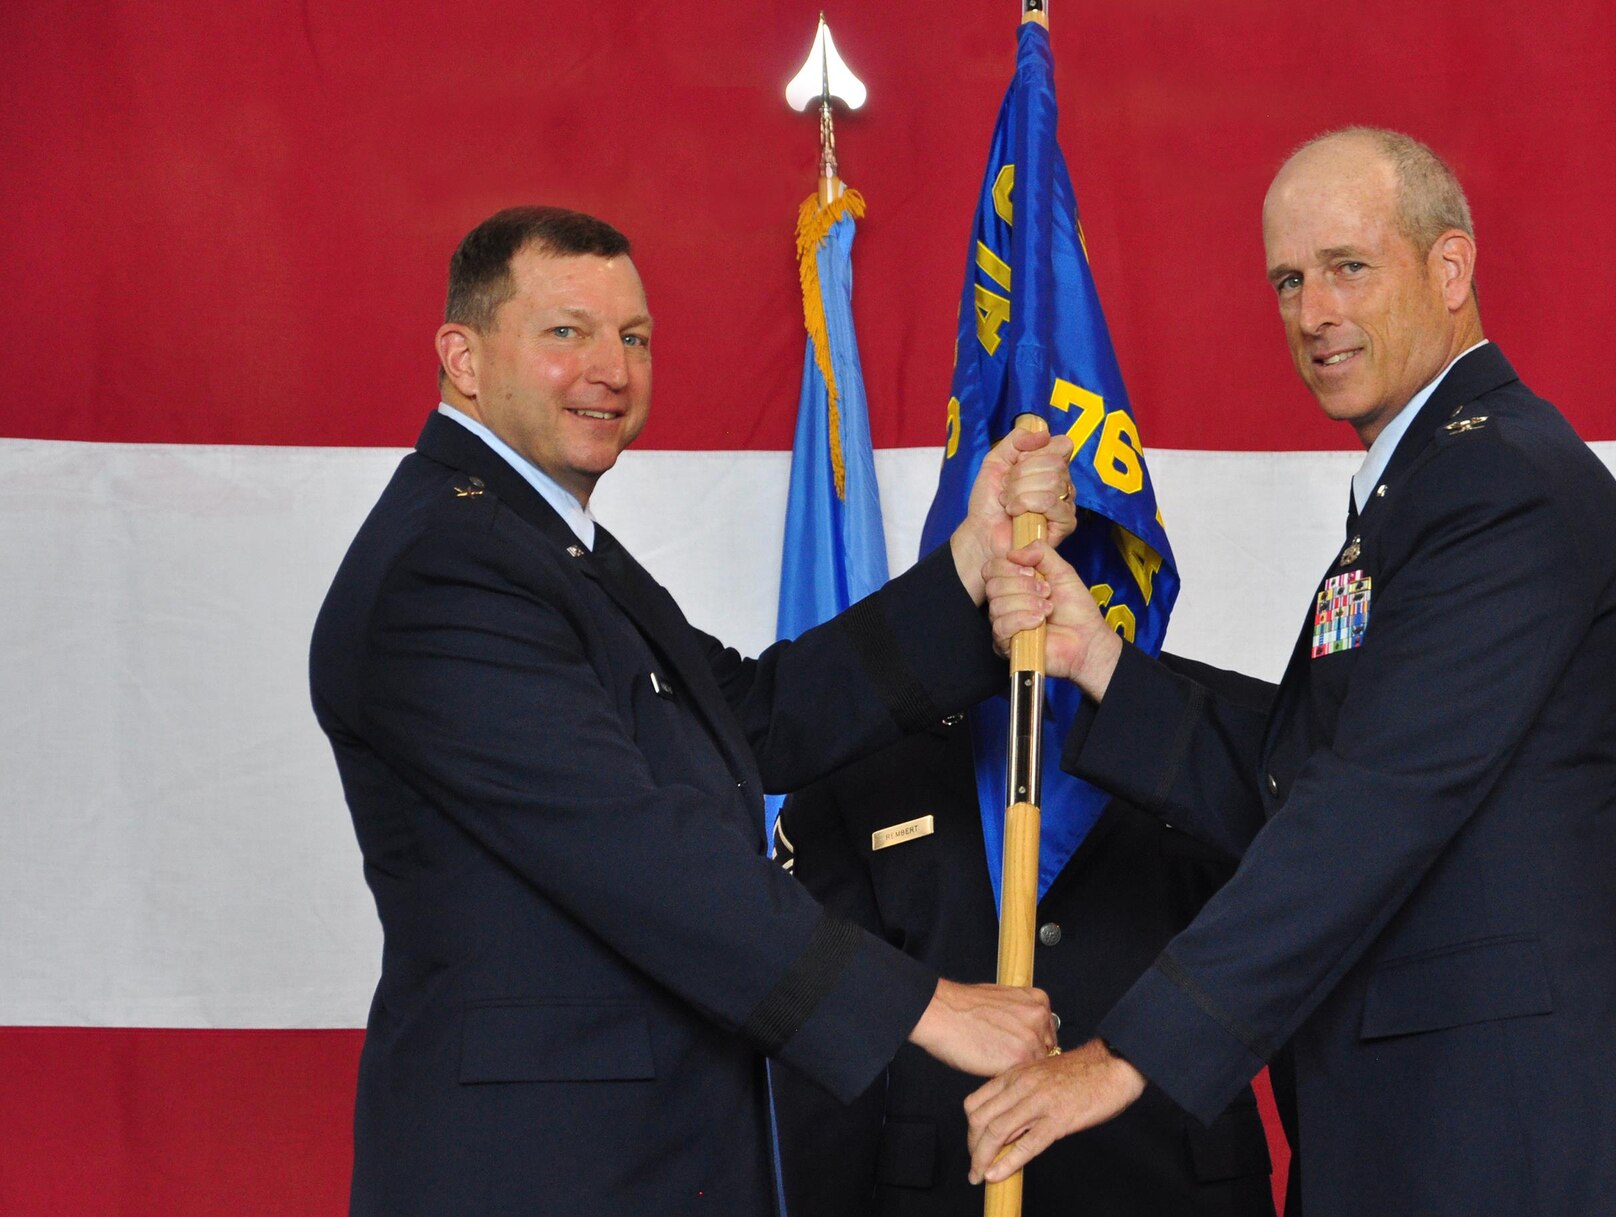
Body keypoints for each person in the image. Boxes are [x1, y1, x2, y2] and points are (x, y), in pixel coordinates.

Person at [966, 128, 1616, 1217]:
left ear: (1449, 268)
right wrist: (1097, 658)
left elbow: (1371, 801)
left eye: (1347, 266)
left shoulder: (1497, 485)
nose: (1312, 311)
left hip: (1520, 1134)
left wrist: (1125, 1053)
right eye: (1287, 278)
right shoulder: (1428, 480)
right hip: (1433, 1122)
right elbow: (1316, 766)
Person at [308, 206, 1068, 1217]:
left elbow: (751, 715)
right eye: (565, 332)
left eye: (634, 337)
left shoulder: (546, 545)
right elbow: (634, 849)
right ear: (463, 356)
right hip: (533, 1172)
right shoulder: (446, 569)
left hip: (643, 1158)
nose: (611, 369)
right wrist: (924, 1004)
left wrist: (970, 561)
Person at [769, 680, 1288, 1217]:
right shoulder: (861, 746)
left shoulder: (1233, 723)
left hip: (1182, 1189)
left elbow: (1297, 965)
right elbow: (825, 1043)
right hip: (947, 1192)